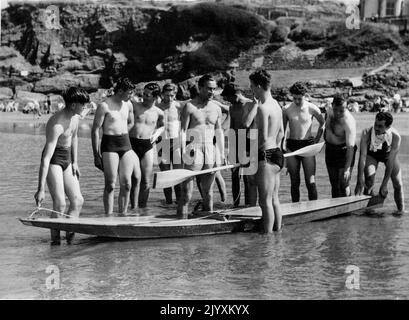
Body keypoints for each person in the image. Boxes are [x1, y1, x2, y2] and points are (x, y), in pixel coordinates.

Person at [34, 87, 90, 244]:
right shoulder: (57, 124)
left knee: (78, 201)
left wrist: (75, 162)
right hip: (54, 160)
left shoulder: (76, 117)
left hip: (68, 158)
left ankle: (70, 240)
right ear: (73, 105)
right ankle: (56, 243)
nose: (85, 107)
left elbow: (74, 138)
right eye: (83, 105)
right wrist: (40, 189)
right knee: (60, 203)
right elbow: (45, 159)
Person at [178, 74, 225, 218]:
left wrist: (222, 154)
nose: (212, 92)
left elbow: (219, 131)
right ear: (200, 88)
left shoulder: (216, 108)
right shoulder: (189, 106)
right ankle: (180, 223)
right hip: (193, 148)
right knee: (186, 194)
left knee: (208, 193)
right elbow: (183, 131)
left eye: (214, 89)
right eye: (209, 89)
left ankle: (206, 222)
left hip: (210, 149)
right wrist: (182, 153)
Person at [243, 69, 284, 233]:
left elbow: (262, 138)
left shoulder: (262, 108)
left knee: (264, 201)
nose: (251, 90)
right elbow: (280, 133)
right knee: (274, 199)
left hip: (265, 156)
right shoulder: (277, 105)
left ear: (259, 86)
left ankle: (267, 238)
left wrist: (252, 159)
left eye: (252, 86)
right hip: (278, 154)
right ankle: (277, 233)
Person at [91, 77, 135, 216]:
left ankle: (123, 215)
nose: (131, 95)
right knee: (110, 184)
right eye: (129, 93)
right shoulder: (104, 106)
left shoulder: (128, 105)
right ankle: (108, 215)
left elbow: (131, 122)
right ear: (120, 91)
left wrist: (124, 132)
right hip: (110, 145)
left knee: (127, 184)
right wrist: (96, 154)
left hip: (125, 144)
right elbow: (95, 130)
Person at [355, 112, 405, 214]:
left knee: (398, 184)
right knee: (369, 180)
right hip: (372, 155)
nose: (376, 128)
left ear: (388, 126)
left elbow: (390, 161)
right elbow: (362, 157)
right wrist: (359, 179)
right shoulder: (366, 132)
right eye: (375, 124)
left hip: (388, 155)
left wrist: (384, 184)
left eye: (380, 126)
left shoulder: (396, 137)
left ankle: (401, 211)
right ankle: (368, 211)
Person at [283, 82, 325, 202]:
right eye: (294, 98)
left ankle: (314, 208)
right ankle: (295, 209)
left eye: (299, 98)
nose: (296, 101)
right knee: (294, 181)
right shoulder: (286, 109)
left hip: (307, 147)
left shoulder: (312, 108)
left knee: (310, 181)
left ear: (304, 95)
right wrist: (283, 149)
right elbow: (283, 130)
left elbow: (323, 123)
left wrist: (316, 139)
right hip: (292, 146)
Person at [221, 83, 257, 207]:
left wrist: (250, 149)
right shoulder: (232, 107)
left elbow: (254, 127)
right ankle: (236, 205)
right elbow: (231, 127)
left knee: (248, 177)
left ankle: (249, 205)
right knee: (235, 175)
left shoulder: (250, 104)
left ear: (236, 95)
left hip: (248, 142)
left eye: (228, 97)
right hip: (235, 141)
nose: (227, 100)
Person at [129, 82, 164, 208]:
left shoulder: (159, 112)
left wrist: (157, 133)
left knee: (146, 180)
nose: (144, 96)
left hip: (147, 146)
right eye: (143, 93)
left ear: (155, 97)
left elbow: (162, 125)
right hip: (132, 144)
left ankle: (142, 208)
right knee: (134, 180)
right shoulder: (135, 106)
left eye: (147, 95)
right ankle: (133, 208)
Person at [324, 93, 357, 198]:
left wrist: (347, 168)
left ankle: (347, 211)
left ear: (346, 107)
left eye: (341, 110)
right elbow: (327, 127)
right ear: (332, 105)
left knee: (344, 183)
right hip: (330, 149)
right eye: (336, 109)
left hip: (344, 151)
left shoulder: (349, 122)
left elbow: (350, 148)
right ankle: (335, 211)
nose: (338, 113)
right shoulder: (329, 111)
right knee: (334, 184)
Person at [157, 83, 182, 205]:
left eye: (172, 95)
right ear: (162, 94)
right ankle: (168, 202)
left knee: (177, 175)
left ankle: (179, 201)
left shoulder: (178, 105)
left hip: (176, 142)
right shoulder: (157, 106)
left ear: (175, 95)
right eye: (167, 95)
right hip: (162, 143)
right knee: (166, 176)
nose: (169, 98)